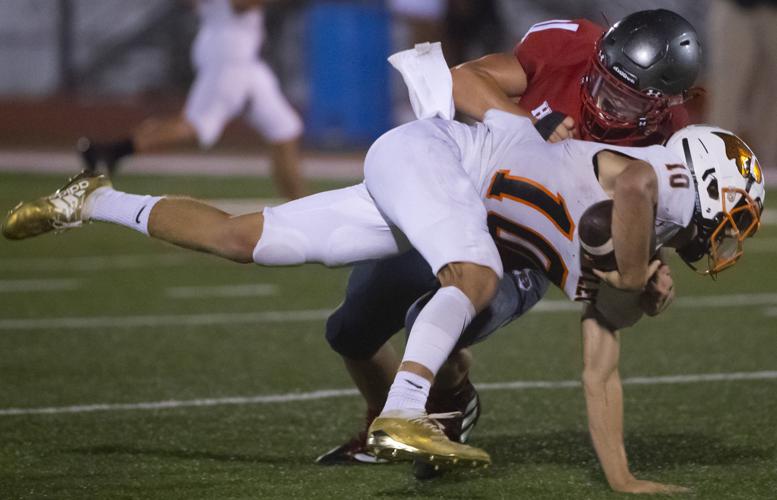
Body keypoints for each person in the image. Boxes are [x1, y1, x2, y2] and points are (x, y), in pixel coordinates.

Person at [2, 112, 764, 493]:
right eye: (729, 216)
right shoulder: (639, 180)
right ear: (698, 183)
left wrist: (623, 478)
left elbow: (600, 368)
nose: (722, 236)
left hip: (426, 184)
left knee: (243, 238)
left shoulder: (640, 227)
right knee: (471, 278)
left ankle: (93, 200)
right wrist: (633, 281)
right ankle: (402, 412)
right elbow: (629, 196)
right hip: (435, 160)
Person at [317, 9, 702, 470]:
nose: (605, 104)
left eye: (627, 101)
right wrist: (523, 126)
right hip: (454, 204)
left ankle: (450, 398)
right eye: (602, 83)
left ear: (664, 104)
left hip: (523, 253)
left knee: (431, 320)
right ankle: (383, 426)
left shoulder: (671, 141)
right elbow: (462, 78)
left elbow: (654, 226)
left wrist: (653, 275)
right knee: (349, 330)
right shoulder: (571, 48)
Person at [78, 0, 307, 200]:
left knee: (285, 129)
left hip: (240, 56)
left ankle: (299, 208)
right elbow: (241, 3)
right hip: (229, 57)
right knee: (196, 127)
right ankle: (110, 152)